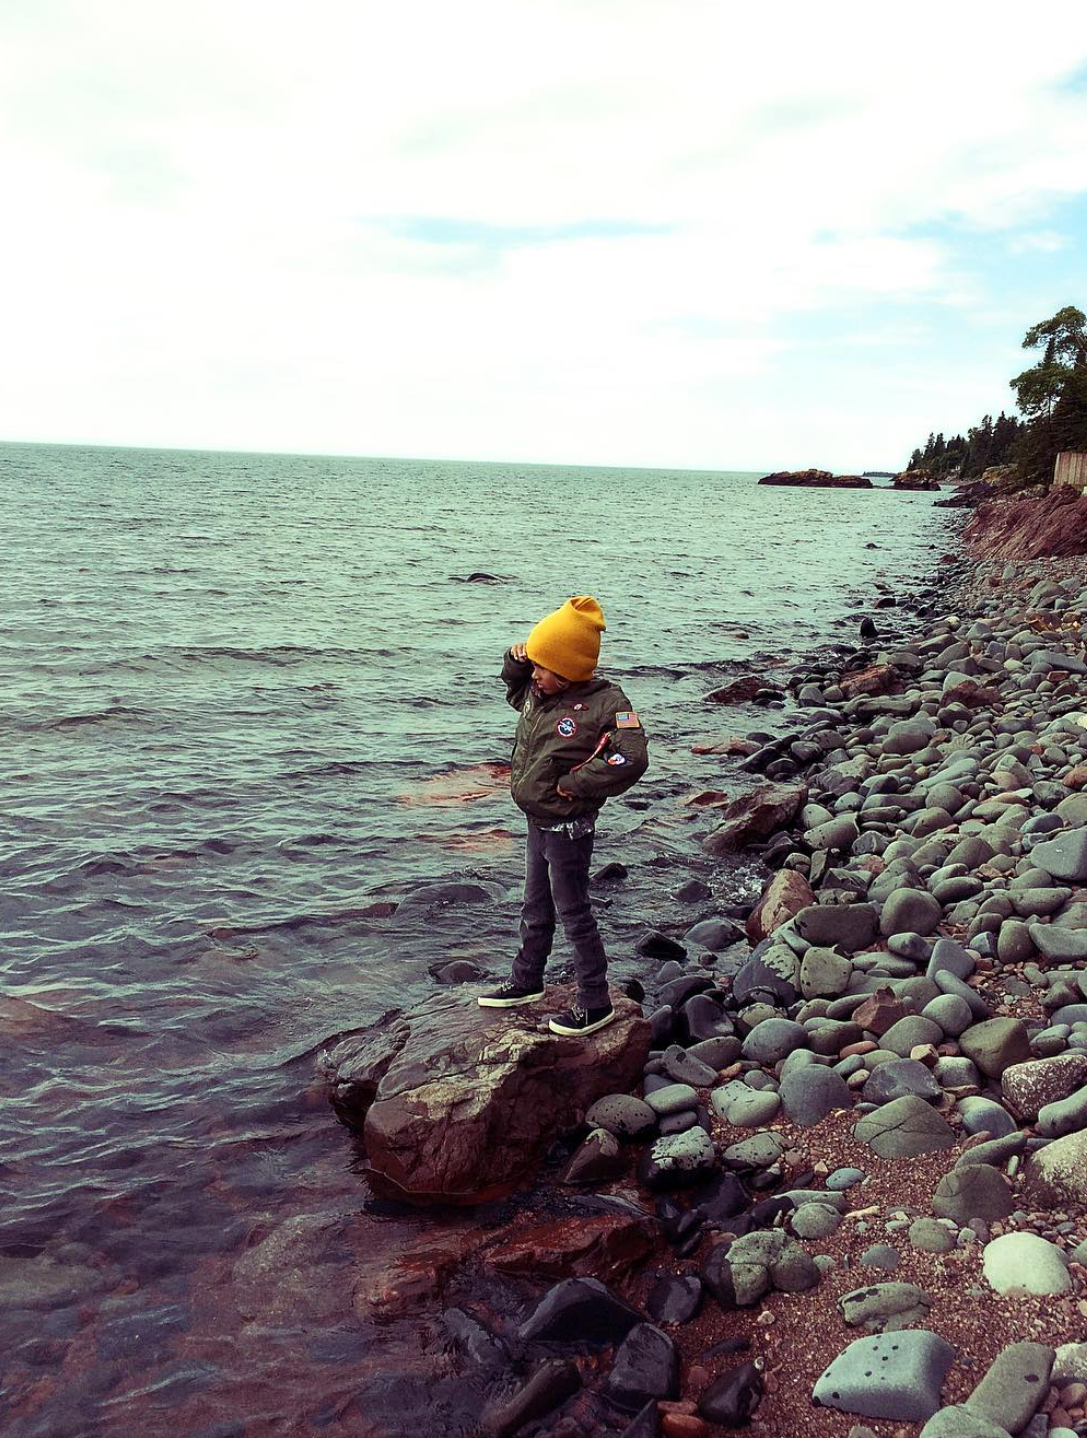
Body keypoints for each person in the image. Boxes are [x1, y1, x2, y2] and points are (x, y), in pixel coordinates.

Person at [477, 595, 648, 1035]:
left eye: (542, 667)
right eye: (534, 666)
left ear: (570, 670)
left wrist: (575, 784)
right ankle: (526, 979)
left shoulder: (606, 704)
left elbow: (630, 757)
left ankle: (595, 1000)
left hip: (569, 826)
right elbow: (514, 688)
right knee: (535, 906)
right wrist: (517, 662)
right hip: (538, 820)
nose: (535, 675)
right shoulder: (539, 694)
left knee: (573, 912)